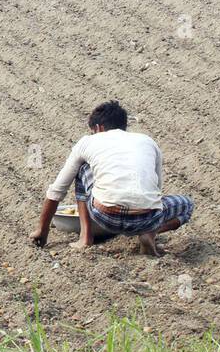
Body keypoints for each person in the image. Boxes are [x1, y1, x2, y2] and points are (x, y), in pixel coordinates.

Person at [32, 100, 194, 256]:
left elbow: (56, 191)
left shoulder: (88, 141)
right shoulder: (147, 141)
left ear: (98, 128)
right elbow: (157, 189)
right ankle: (150, 233)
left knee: (82, 168)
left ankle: (85, 237)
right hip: (148, 218)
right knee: (187, 205)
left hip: (106, 216)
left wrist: (42, 230)